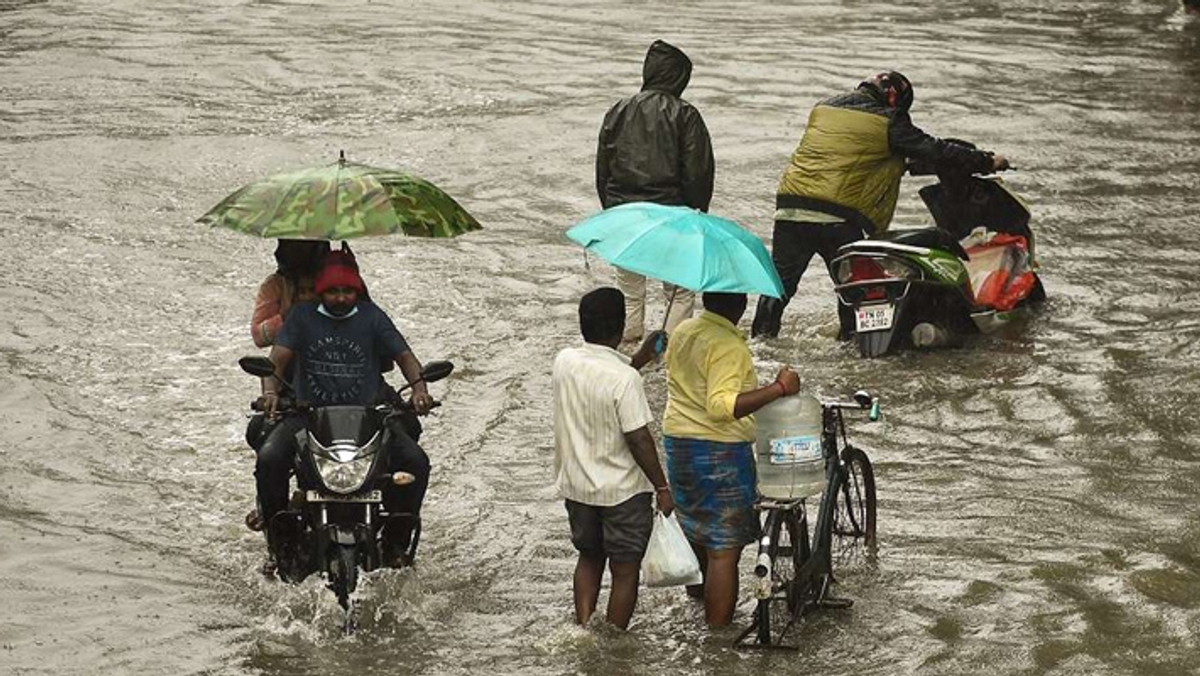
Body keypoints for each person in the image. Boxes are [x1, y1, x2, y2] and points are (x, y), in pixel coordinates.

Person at [751, 71, 1009, 338]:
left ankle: (760, 342)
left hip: (790, 208)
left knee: (779, 285)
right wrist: (986, 161)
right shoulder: (889, 119)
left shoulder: (824, 109)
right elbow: (934, 149)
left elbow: (850, 154)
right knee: (853, 288)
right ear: (895, 99)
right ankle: (851, 345)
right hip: (838, 215)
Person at [256, 250, 434, 565]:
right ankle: (279, 541)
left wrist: (420, 389)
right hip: (306, 416)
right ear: (322, 291)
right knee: (270, 459)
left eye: (347, 290)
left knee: (416, 462)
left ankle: (396, 543)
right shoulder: (301, 317)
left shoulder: (372, 317)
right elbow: (276, 362)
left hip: (371, 417)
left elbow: (405, 356)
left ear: (358, 290)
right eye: (334, 291)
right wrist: (270, 393)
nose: (340, 298)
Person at [662, 292, 800, 626]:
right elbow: (722, 407)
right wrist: (779, 389)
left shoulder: (683, 331)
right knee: (723, 550)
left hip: (678, 446)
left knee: (697, 531)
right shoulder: (728, 345)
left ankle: (698, 605)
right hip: (718, 451)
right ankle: (717, 640)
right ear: (740, 306)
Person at [552, 287, 674, 630]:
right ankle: (614, 637)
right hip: (622, 491)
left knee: (589, 557)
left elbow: (603, 380)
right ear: (620, 328)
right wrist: (662, 487)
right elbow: (638, 439)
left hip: (578, 486)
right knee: (624, 569)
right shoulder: (626, 380)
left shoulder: (564, 361)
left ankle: (585, 627)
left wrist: (639, 359)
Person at [596, 39, 715, 343]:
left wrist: (610, 210)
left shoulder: (618, 110)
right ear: (679, 77)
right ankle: (672, 348)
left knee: (630, 292)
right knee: (679, 291)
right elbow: (698, 172)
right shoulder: (685, 114)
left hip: (624, 215)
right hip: (672, 215)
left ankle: (628, 343)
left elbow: (603, 169)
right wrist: (697, 211)